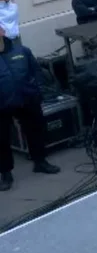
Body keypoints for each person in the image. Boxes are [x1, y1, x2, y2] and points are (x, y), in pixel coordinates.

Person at [0, 26, 61, 191]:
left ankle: (40, 162)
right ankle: (5, 173)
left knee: (35, 130)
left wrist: (37, 90)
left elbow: (36, 72)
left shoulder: (22, 51)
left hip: (28, 99)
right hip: (2, 104)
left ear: (2, 31)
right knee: (1, 139)